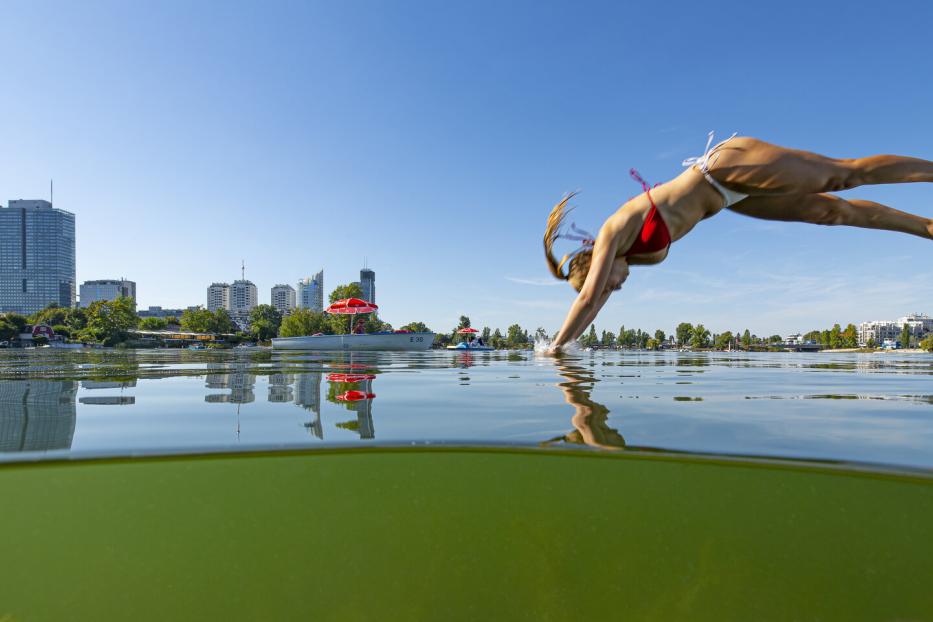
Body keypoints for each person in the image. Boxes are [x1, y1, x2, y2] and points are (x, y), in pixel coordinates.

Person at [544, 133, 933, 352]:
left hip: (724, 168)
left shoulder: (614, 229)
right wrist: (569, 347)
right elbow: (594, 307)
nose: (616, 287)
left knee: (842, 177)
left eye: (609, 281)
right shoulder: (633, 257)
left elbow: (587, 299)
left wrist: (553, 348)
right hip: (735, 200)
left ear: (595, 261)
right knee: (833, 213)